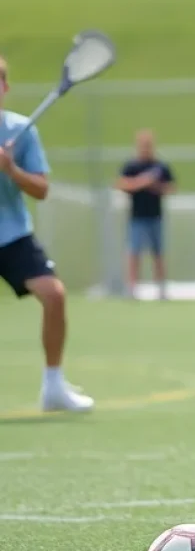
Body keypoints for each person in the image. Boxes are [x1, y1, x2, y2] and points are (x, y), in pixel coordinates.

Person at [0, 55, 92, 412]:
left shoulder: (21, 130)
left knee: (53, 296)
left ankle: (53, 386)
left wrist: (11, 169)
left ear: (5, 88)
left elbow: (41, 189)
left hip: (12, 234)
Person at [116, 130, 176, 300]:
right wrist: (141, 182)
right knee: (134, 252)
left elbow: (171, 188)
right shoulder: (132, 166)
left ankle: (162, 288)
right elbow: (121, 184)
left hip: (156, 216)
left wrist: (155, 186)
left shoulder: (160, 167)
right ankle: (132, 288)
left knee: (158, 252)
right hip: (137, 217)